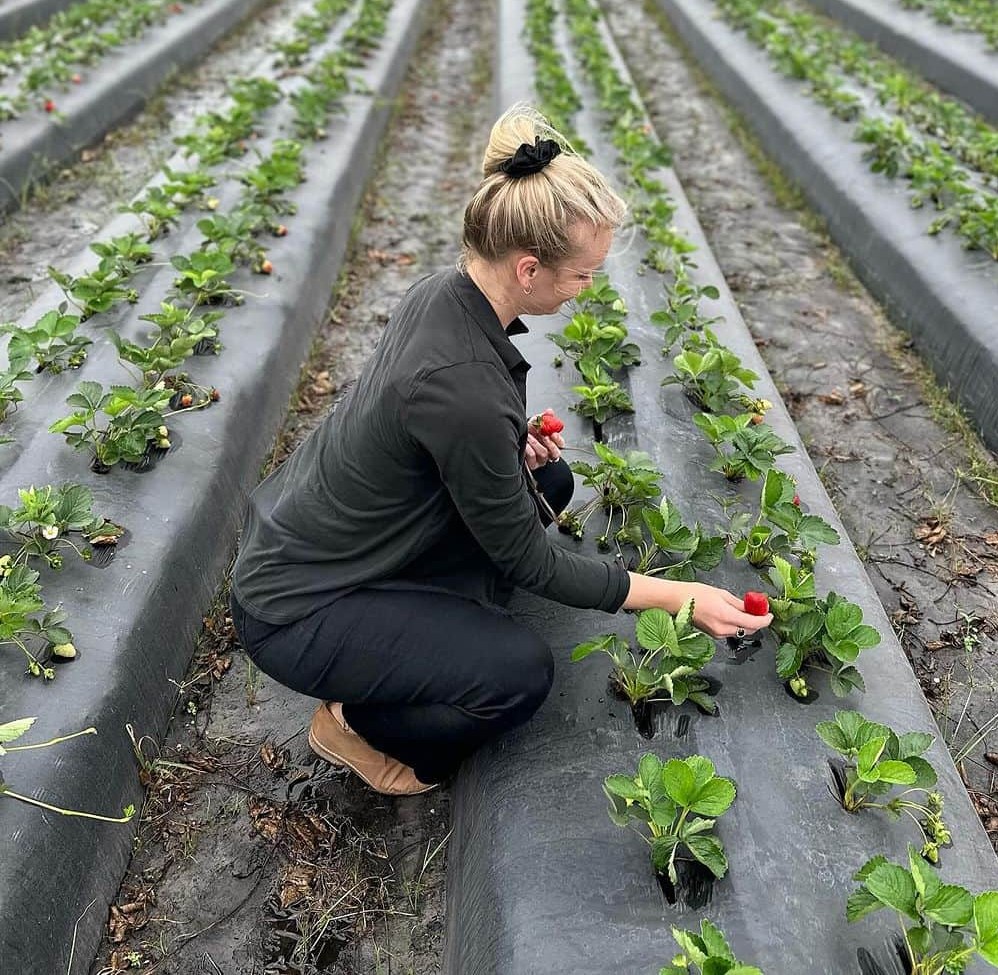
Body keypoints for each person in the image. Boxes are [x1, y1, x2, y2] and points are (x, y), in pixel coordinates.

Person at [229, 106, 772, 796]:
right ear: (527, 269)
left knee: (552, 483)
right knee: (515, 674)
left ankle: (427, 624)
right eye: (582, 275)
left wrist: (508, 448)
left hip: (329, 542)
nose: (589, 289)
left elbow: (427, 438)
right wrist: (678, 597)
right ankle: (355, 726)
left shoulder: (447, 295)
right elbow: (528, 558)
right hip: (297, 607)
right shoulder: (461, 386)